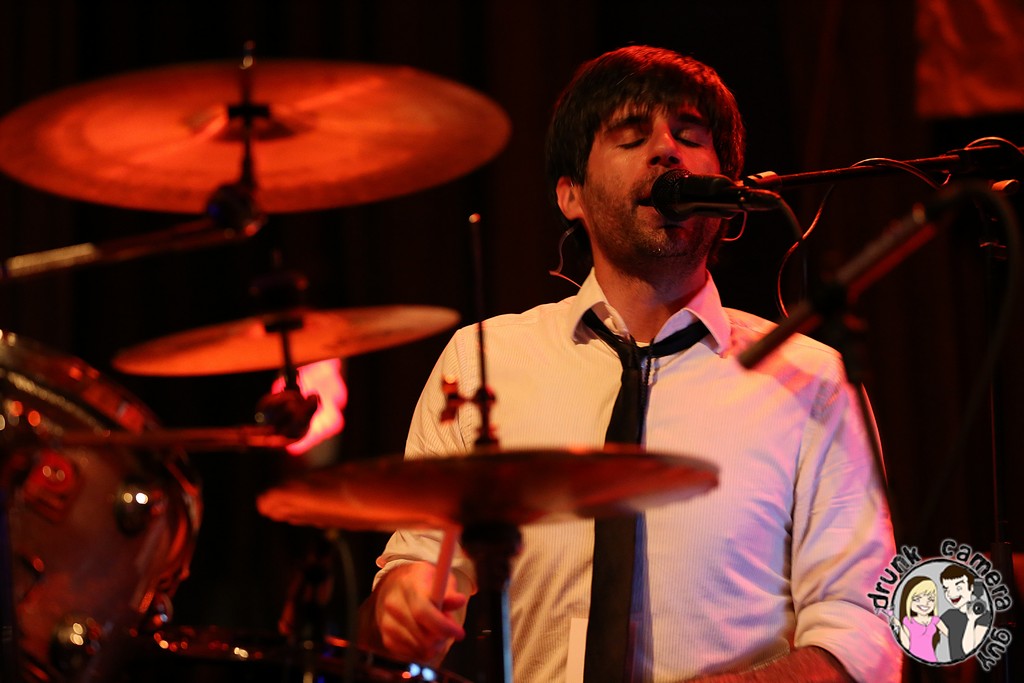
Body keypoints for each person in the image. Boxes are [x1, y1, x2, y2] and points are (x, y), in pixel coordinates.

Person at [359, 45, 901, 682]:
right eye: (631, 136)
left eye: (690, 137)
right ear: (571, 195)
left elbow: (862, 633)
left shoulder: (811, 378)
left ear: (727, 196)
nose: (667, 151)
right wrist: (402, 605)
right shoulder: (486, 360)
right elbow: (416, 566)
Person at [939, 565, 991, 661]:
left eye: (958, 588)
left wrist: (971, 620)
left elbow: (969, 650)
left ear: (971, 587)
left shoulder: (984, 616)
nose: (951, 593)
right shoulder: (949, 615)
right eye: (946, 589)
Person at [893, 576, 946, 662]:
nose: (925, 603)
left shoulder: (935, 620)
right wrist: (898, 626)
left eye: (931, 599)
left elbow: (951, 635)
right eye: (917, 599)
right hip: (912, 661)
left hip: (931, 659)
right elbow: (906, 645)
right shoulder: (908, 621)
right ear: (908, 600)